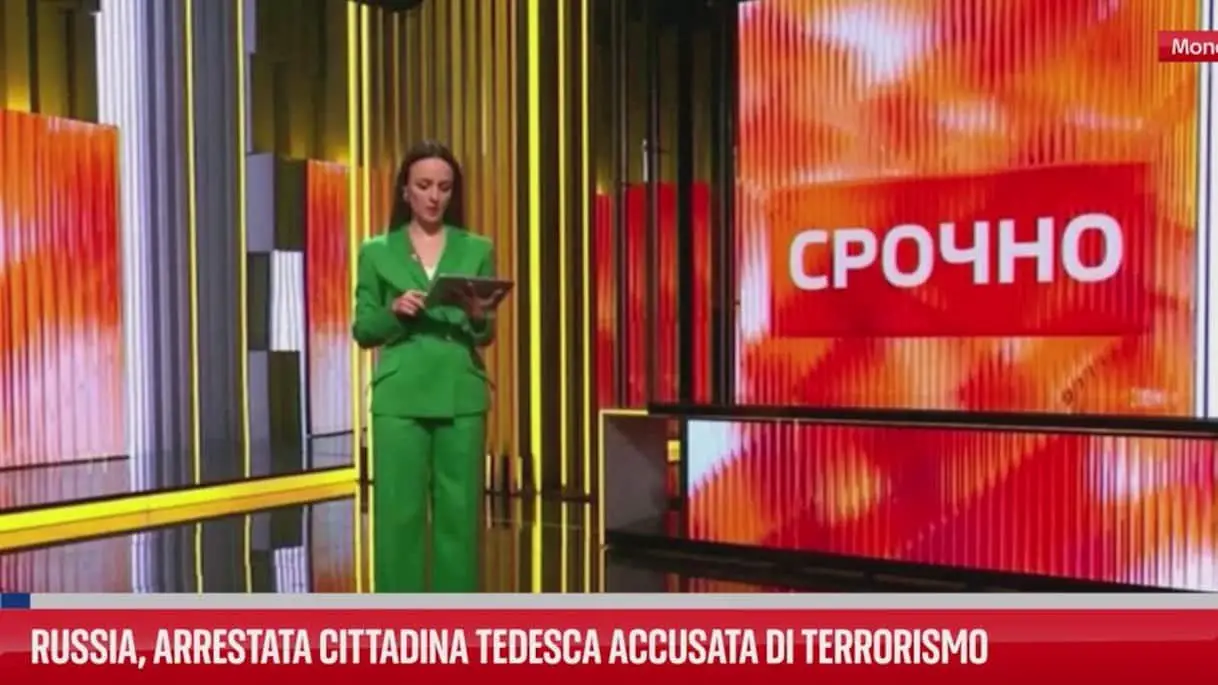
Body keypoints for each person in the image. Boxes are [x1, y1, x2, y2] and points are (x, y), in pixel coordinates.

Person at [351, 140, 498, 592]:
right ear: (405, 190)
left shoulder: (477, 249)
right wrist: (394, 311)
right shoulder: (376, 251)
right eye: (424, 185)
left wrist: (478, 316)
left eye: (444, 187)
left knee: (460, 520)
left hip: (460, 393)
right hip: (400, 396)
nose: (434, 197)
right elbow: (363, 330)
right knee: (398, 520)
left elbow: (486, 334)